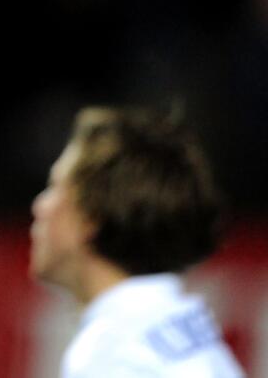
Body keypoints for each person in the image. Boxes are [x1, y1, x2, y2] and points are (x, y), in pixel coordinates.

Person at [29, 106, 245, 377]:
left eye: (55, 187)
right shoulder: (179, 332)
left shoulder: (113, 354)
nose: (39, 207)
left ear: (91, 217)